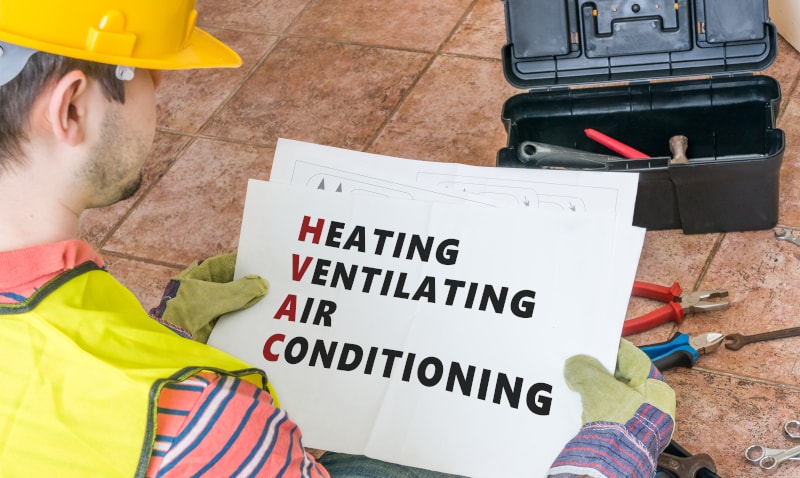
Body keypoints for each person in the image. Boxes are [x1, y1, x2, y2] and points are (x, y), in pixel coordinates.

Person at [0, 1, 675, 477]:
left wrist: (162, 334)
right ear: (73, 108)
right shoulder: (215, 421)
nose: (160, 97)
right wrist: (607, 458)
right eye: (148, 73)